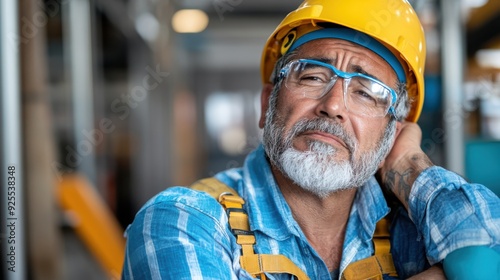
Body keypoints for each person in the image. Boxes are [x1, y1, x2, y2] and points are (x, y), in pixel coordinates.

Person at [121, 0, 500, 279]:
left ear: (392, 132)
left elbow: (491, 254)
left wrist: (410, 167)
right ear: (268, 102)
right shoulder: (184, 221)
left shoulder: (413, 229)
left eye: (367, 92)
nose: (333, 105)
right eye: (312, 76)